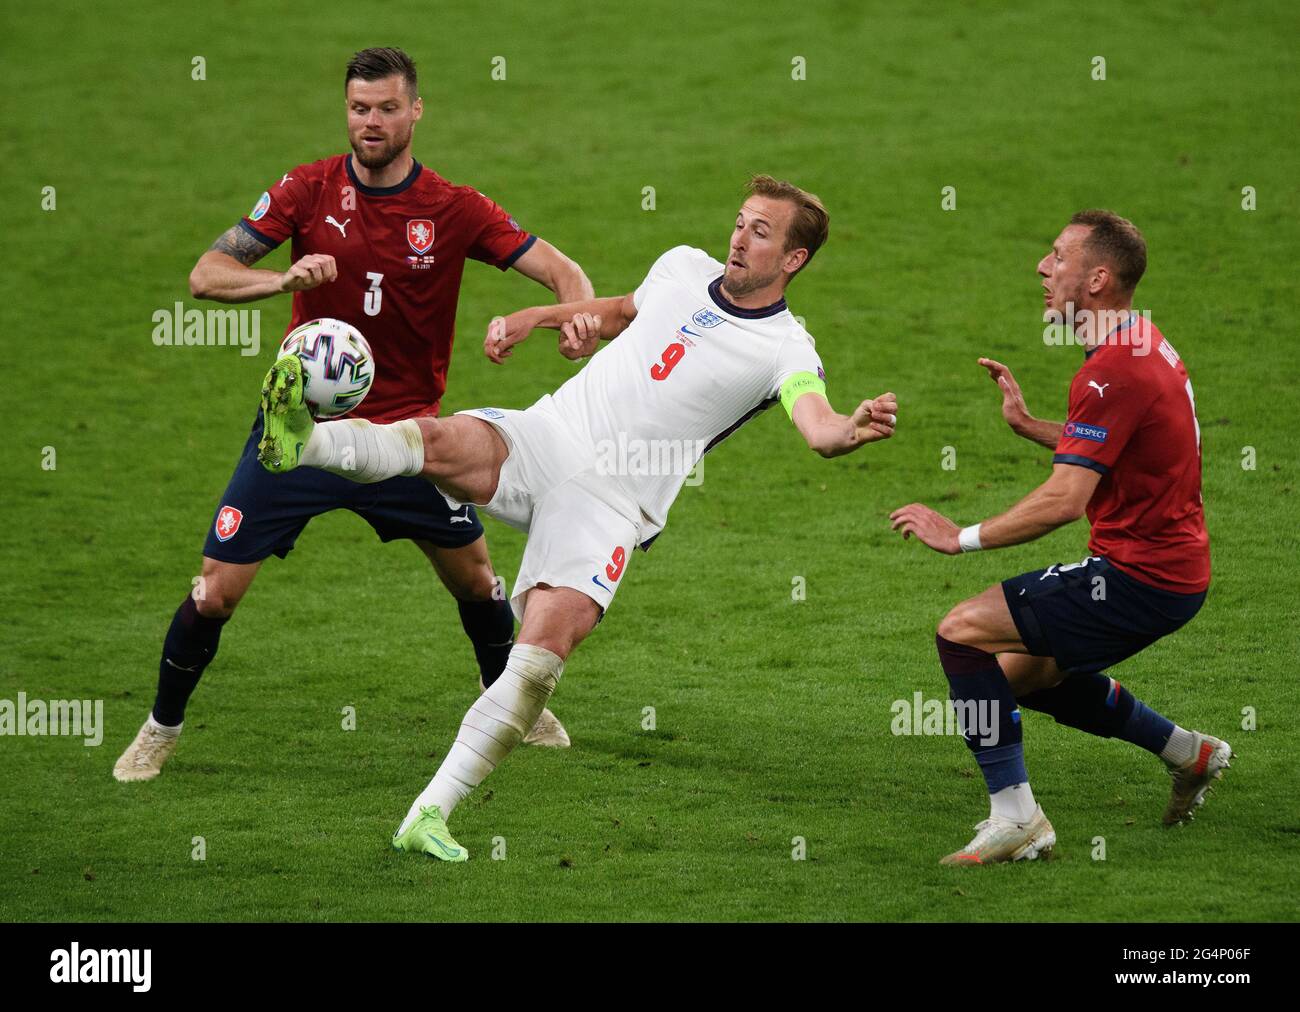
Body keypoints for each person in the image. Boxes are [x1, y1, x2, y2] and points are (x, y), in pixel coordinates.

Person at [257, 175, 899, 860]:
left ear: (793, 260)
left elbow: (818, 423)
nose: (739, 237)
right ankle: (305, 440)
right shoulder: (682, 265)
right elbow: (623, 310)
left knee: (533, 667)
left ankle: (427, 815)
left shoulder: (786, 348)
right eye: (741, 221)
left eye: (761, 232)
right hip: (549, 434)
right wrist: (537, 319)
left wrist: (849, 429)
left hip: (612, 506)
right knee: (437, 440)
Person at [114, 47, 591, 783]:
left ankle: (513, 705)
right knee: (214, 591)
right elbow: (206, 275)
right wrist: (281, 278)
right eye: (360, 108)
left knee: (477, 582)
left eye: (387, 108)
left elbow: (563, 272)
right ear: (347, 110)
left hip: (407, 441)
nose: (371, 122)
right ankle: (160, 727)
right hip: (298, 432)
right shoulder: (305, 191)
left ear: (415, 112)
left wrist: (571, 319)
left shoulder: (456, 209)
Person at [890, 210, 1229, 866]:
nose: (1043, 270)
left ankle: (1017, 819)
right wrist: (1033, 425)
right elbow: (1124, 446)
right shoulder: (1138, 343)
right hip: (1173, 571)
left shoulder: (1111, 371)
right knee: (1014, 680)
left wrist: (957, 536)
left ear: (1097, 278)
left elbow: (1065, 499)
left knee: (961, 632)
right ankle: (1191, 753)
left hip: (1139, 577)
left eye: (1058, 258)